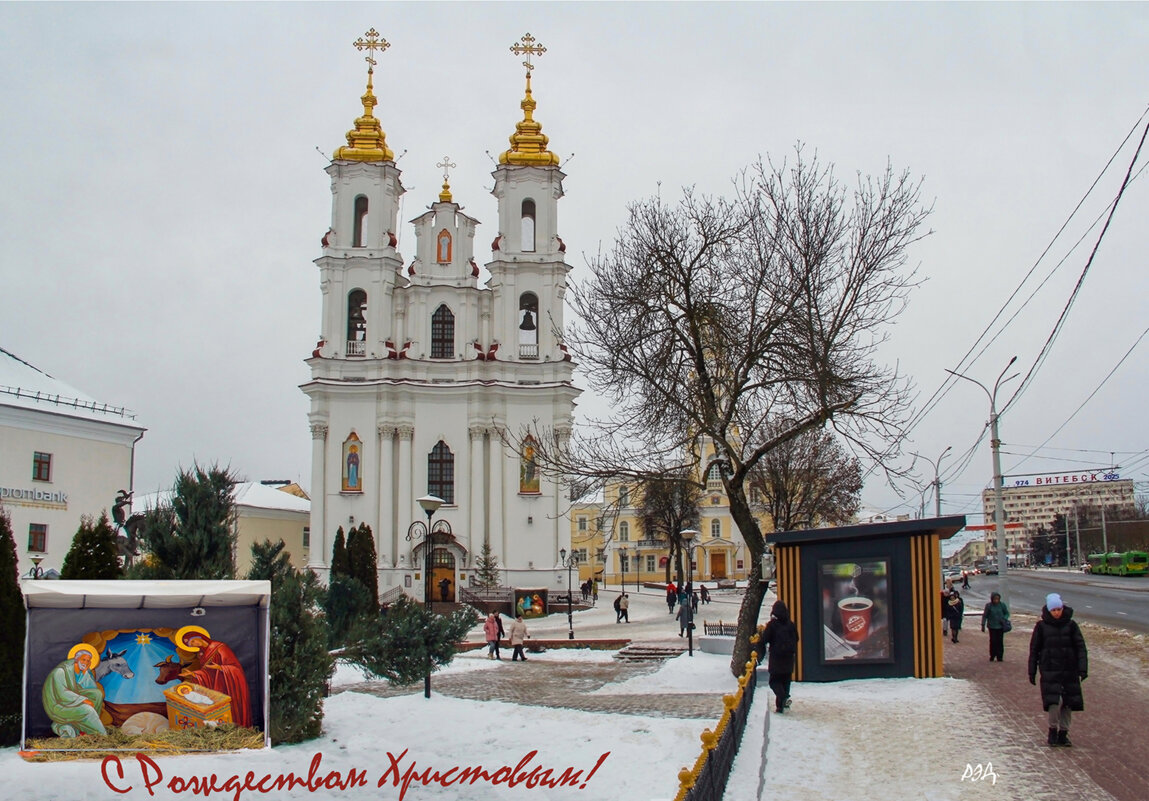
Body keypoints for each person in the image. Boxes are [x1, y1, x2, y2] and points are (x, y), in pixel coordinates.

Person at [1028, 592, 1087, 747]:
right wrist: (1032, 670)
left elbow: (1080, 647)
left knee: (1068, 703)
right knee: (1055, 702)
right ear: (1048, 610)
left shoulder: (1071, 625)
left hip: (1069, 670)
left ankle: (1063, 734)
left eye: (1058, 609)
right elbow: (1034, 650)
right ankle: (1052, 731)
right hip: (1050, 670)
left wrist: (1082, 668)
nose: (1056, 612)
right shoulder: (1041, 627)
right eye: (1053, 610)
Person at [182, 632, 253, 728]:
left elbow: (235, 667)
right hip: (216, 686)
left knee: (232, 708)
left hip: (228, 684)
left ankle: (235, 729)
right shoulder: (202, 654)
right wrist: (194, 674)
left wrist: (220, 667)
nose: (193, 644)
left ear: (199, 637)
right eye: (191, 645)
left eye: (193, 641)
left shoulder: (220, 647)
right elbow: (207, 673)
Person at [42, 645, 107, 737]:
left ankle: (84, 725)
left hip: (72, 700)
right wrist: (83, 700)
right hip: (59, 705)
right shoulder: (61, 671)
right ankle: (101, 735)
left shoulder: (84, 670)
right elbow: (62, 693)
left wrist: (85, 673)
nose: (86, 662)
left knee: (97, 694)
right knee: (87, 709)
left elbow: (91, 688)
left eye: (88, 660)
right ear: (76, 659)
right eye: (83, 659)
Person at [760, 600, 799, 713]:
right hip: (789, 658)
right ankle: (780, 706)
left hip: (776, 658)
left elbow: (765, 639)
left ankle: (783, 699)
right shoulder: (791, 624)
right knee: (785, 681)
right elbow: (797, 638)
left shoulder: (772, 625)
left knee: (774, 681)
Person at [981, 591, 1011, 662]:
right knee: (993, 641)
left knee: (1000, 641)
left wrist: (1004, 618)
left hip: (1000, 626)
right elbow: (985, 615)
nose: (996, 600)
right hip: (992, 626)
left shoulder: (1002, 605)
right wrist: (983, 624)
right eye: (995, 599)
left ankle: (1000, 656)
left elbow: (1007, 613)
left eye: (997, 599)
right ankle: (992, 655)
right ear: (992, 599)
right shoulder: (989, 606)